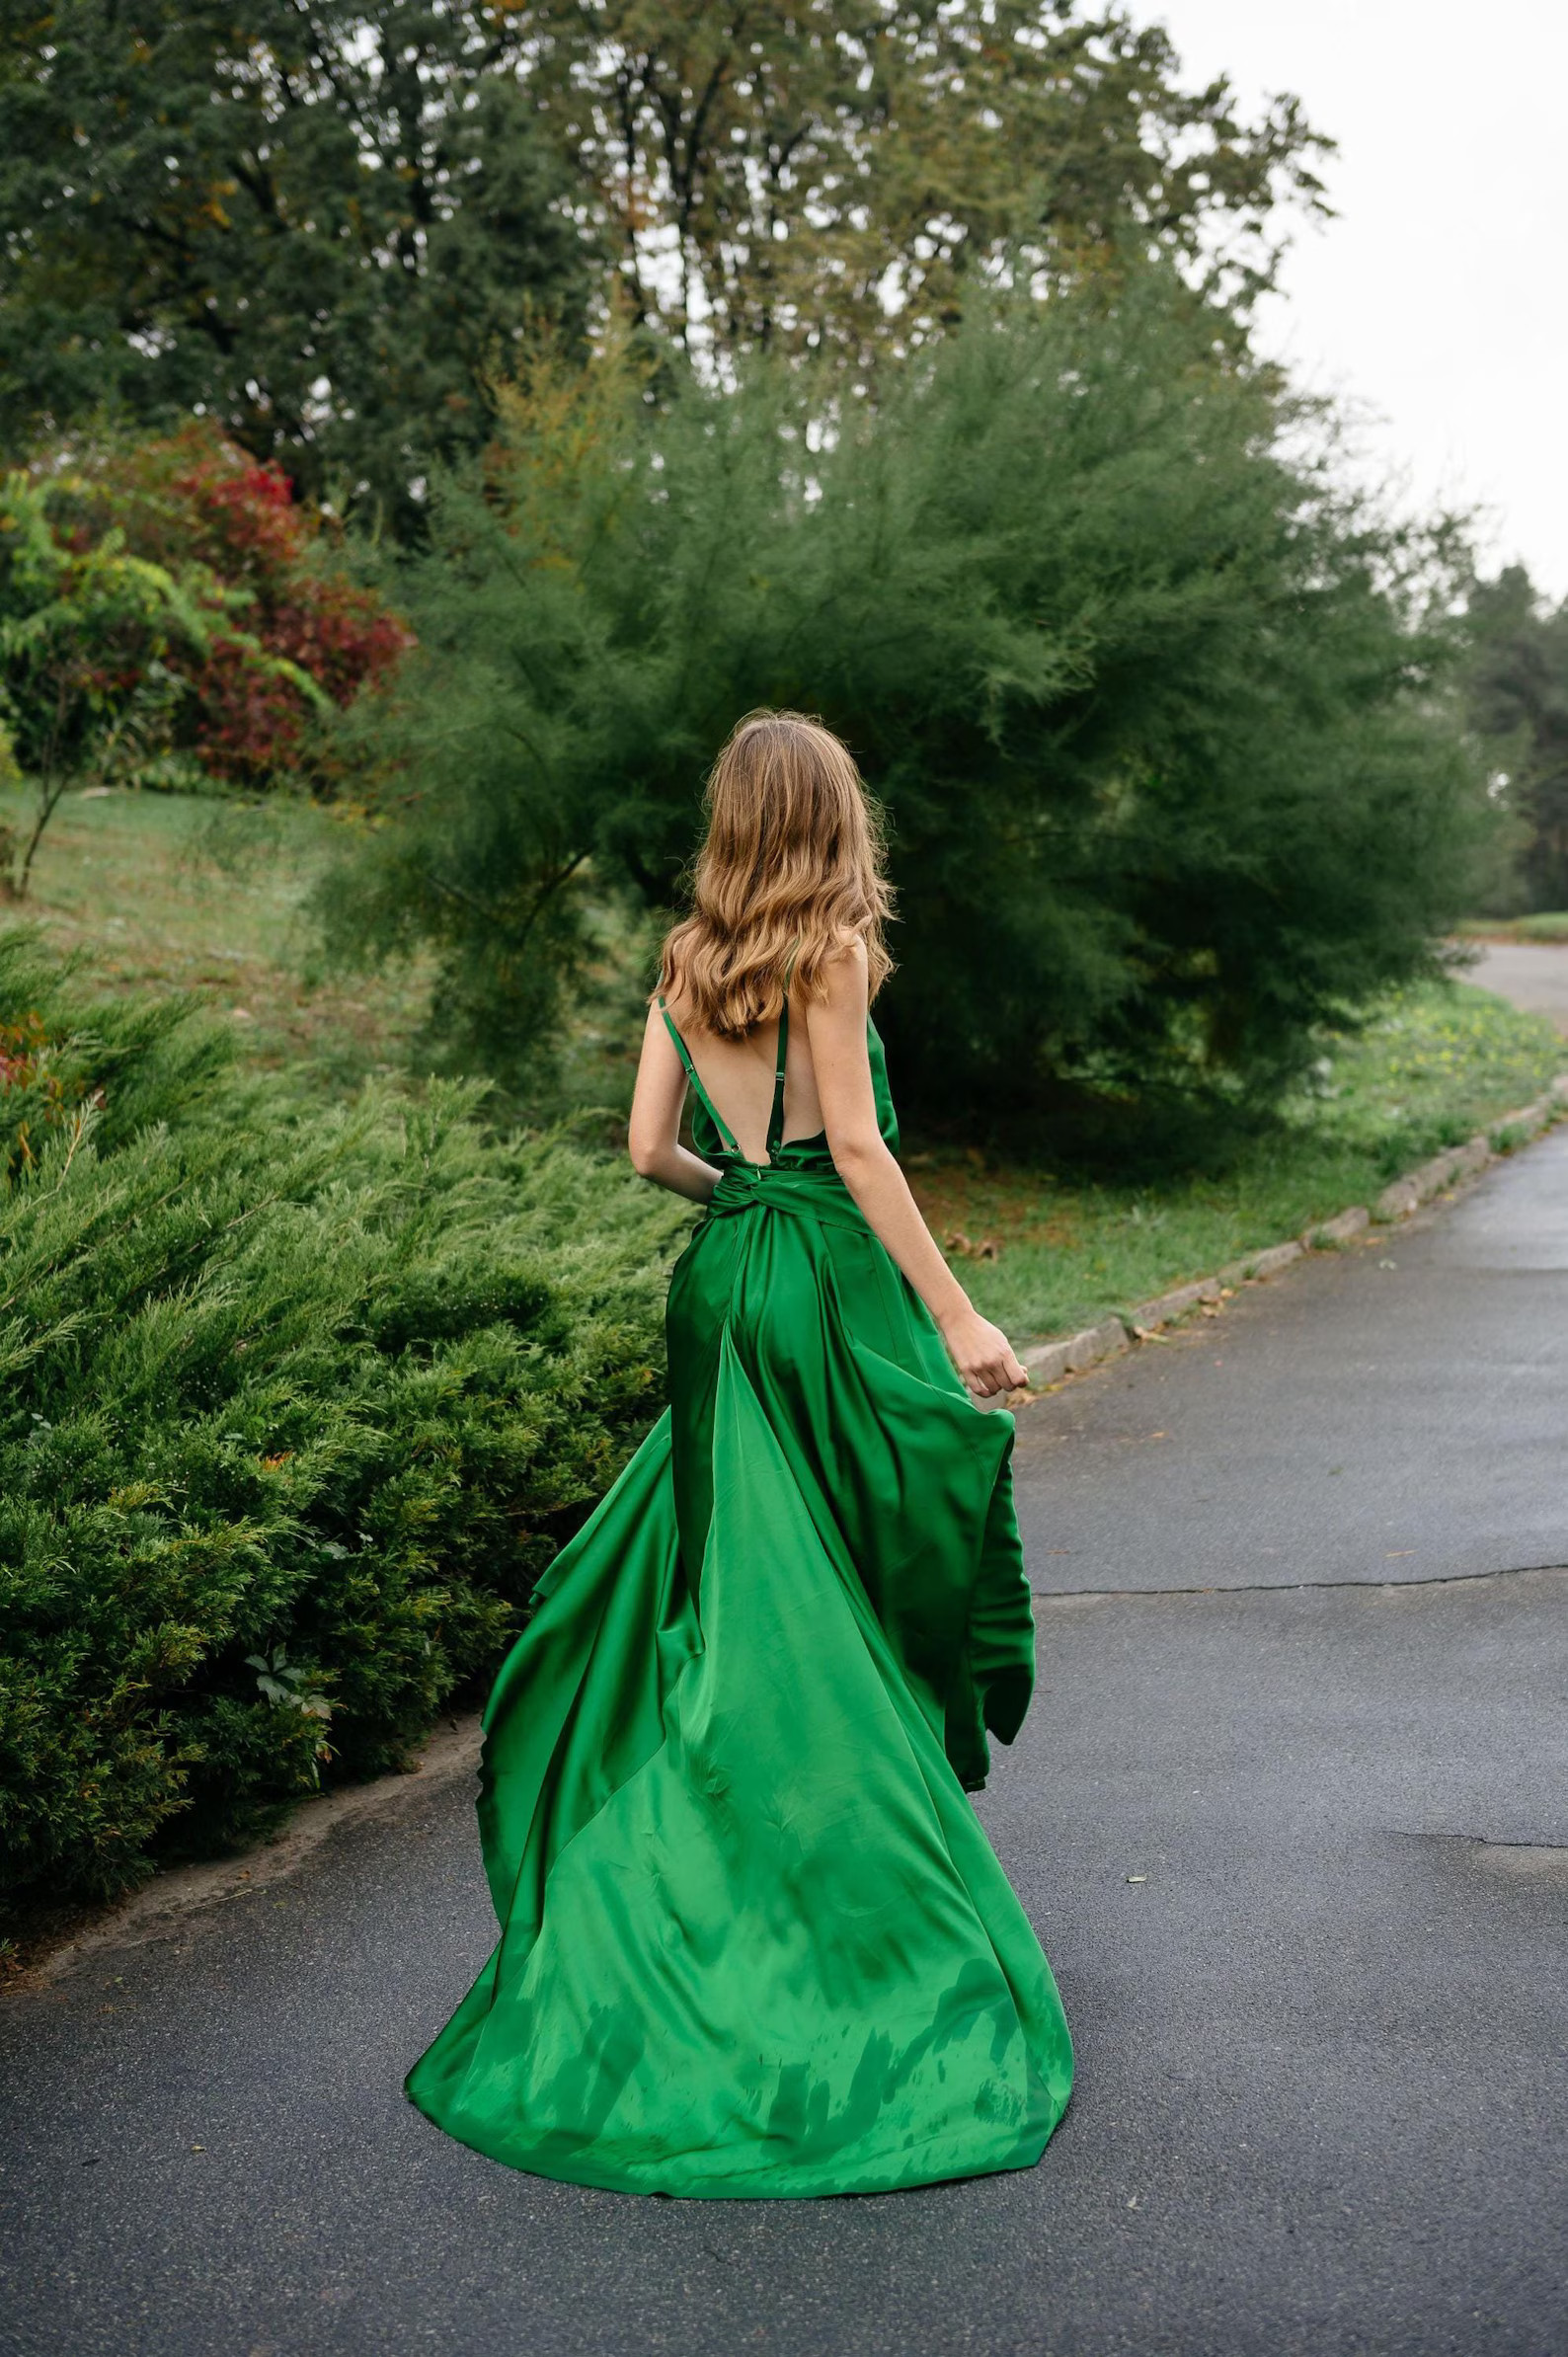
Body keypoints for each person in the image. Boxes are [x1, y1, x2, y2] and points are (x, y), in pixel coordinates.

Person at [406, 710, 1073, 2197]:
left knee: (746, 1594)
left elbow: (648, 1151)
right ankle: (823, 1903)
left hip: (722, 1283)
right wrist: (957, 1314)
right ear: (833, 820)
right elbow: (857, 1148)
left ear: (729, 819)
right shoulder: (830, 951)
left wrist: (740, 1195)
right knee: (830, 1589)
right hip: (822, 1286)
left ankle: (694, 1877)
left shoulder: (688, 956)